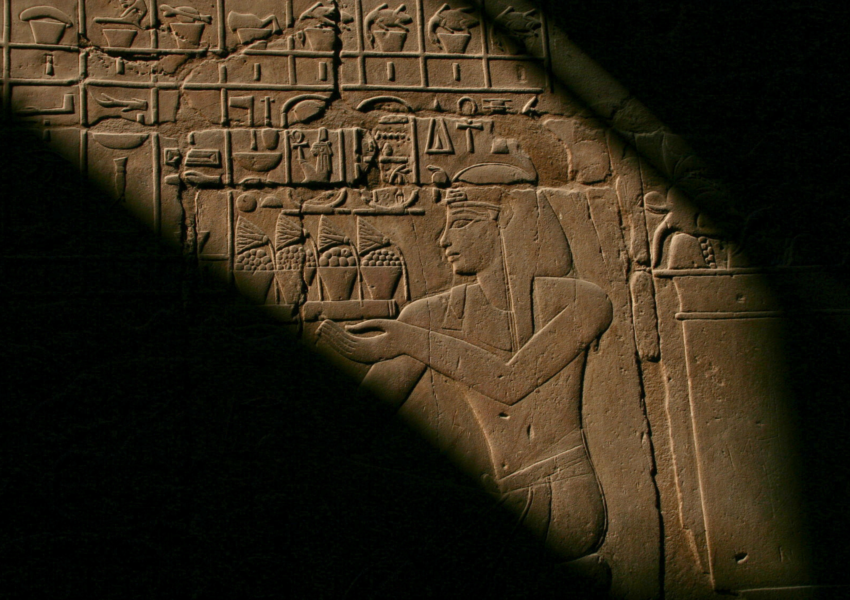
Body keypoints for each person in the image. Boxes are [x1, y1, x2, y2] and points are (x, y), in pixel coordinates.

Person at [318, 186, 612, 560]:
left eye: (460, 224)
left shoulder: (581, 301)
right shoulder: (429, 317)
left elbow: (512, 381)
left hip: (563, 497)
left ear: (507, 224)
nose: (444, 240)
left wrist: (411, 340)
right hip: (502, 490)